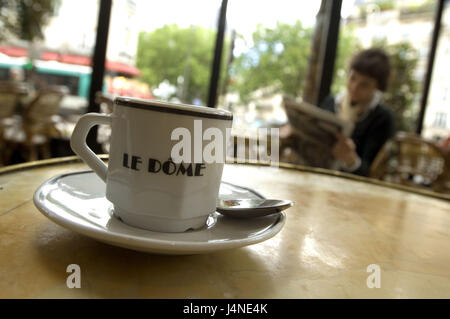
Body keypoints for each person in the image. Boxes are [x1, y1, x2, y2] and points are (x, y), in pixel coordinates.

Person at [320, 48, 396, 176]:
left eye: (364, 84)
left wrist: (351, 160)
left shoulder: (383, 118)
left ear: (377, 87)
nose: (355, 87)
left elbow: (374, 173)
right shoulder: (330, 102)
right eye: (352, 78)